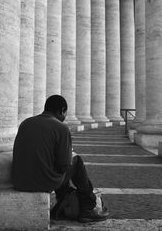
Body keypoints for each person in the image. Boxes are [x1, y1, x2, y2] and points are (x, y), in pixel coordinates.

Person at [12, 95, 109, 223]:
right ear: (62, 110)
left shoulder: (26, 123)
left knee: (55, 165)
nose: (64, 117)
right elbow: (64, 165)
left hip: (19, 181)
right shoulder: (61, 128)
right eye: (65, 114)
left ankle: (62, 204)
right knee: (77, 162)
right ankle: (88, 207)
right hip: (41, 182)